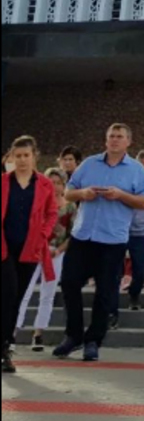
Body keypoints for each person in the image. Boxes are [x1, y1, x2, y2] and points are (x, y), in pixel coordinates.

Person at [54, 124, 144, 362]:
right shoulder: (89, 163)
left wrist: (120, 195)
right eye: (111, 136)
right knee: (68, 283)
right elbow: (68, 192)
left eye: (120, 137)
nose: (115, 140)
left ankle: (93, 340)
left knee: (106, 292)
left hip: (112, 239)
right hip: (83, 235)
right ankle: (73, 335)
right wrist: (83, 193)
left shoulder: (136, 170)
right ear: (105, 140)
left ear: (128, 141)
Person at [2, 137, 59, 373]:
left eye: (26, 155)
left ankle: (6, 346)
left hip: (29, 249)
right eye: (18, 156)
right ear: (12, 157)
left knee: (16, 298)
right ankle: (4, 346)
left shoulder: (44, 185)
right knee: (8, 292)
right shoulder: (4, 182)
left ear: (34, 156)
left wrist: (43, 234)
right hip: (4, 249)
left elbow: (52, 213)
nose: (23, 160)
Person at [17, 168, 76, 353]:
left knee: (47, 293)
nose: (55, 186)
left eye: (58, 183)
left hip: (55, 253)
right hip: (34, 250)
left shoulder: (70, 206)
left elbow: (72, 234)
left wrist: (59, 250)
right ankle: (13, 330)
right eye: (51, 182)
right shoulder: (37, 202)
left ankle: (38, 332)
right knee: (23, 291)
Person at [111, 150, 144, 326]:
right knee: (114, 271)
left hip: (139, 232)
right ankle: (112, 311)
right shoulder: (122, 180)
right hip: (118, 230)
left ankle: (134, 294)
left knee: (140, 269)